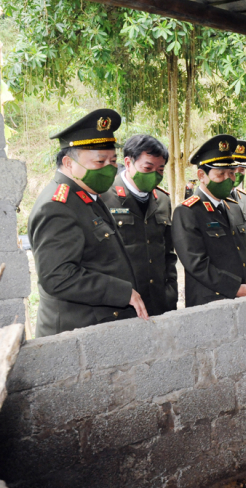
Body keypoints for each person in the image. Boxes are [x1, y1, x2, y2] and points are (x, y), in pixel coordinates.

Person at [27, 109, 148, 337]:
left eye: (113, 161)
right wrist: (122, 292)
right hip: (76, 332)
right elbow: (57, 277)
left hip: (98, 324)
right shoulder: (57, 205)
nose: (109, 168)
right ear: (68, 163)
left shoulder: (86, 195)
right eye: (99, 161)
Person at [172, 134, 246, 307]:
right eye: (220, 174)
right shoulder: (187, 212)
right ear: (202, 175)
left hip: (245, 298)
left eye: (231, 173)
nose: (228, 179)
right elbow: (197, 264)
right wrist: (235, 288)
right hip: (209, 302)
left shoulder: (233, 207)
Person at [101, 134, 177, 316]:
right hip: (122, 306)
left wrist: (171, 291)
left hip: (159, 302)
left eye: (160, 170)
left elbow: (168, 253)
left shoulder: (163, 200)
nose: (154, 175)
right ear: (128, 163)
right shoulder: (105, 197)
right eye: (148, 168)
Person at [231, 140, 246, 244]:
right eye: (233, 169)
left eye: (241, 170)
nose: (237, 173)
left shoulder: (244, 198)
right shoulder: (215, 198)